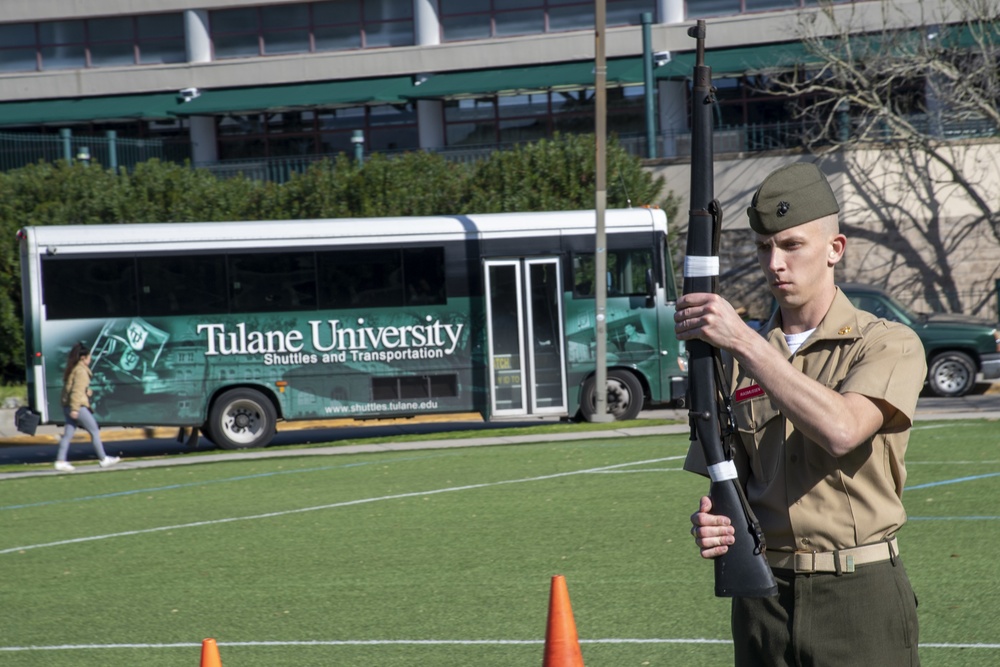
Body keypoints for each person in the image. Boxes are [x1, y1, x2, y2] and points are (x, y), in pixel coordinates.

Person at [675, 162, 926, 666]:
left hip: (858, 594)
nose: (775, 263)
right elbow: (732, 479)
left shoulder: (886, 343)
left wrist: (744, 341)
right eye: (765, 248)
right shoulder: (730, 360)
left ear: (835, 250)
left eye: (791, 245)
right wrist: (713, 521)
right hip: (763, 596)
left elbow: (842, 430)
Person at [54, 342, 120, 472]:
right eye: (89, 357)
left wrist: (86, 392)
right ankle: (103, 459)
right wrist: (75, 408)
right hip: (77, 407)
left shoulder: (73, 369)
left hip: (67, 406)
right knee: (94, 430)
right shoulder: (81, 371)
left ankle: (60, 461)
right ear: (83, 358)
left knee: (68, 435)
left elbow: (72, 389)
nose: (91, 359)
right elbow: (76, 391)